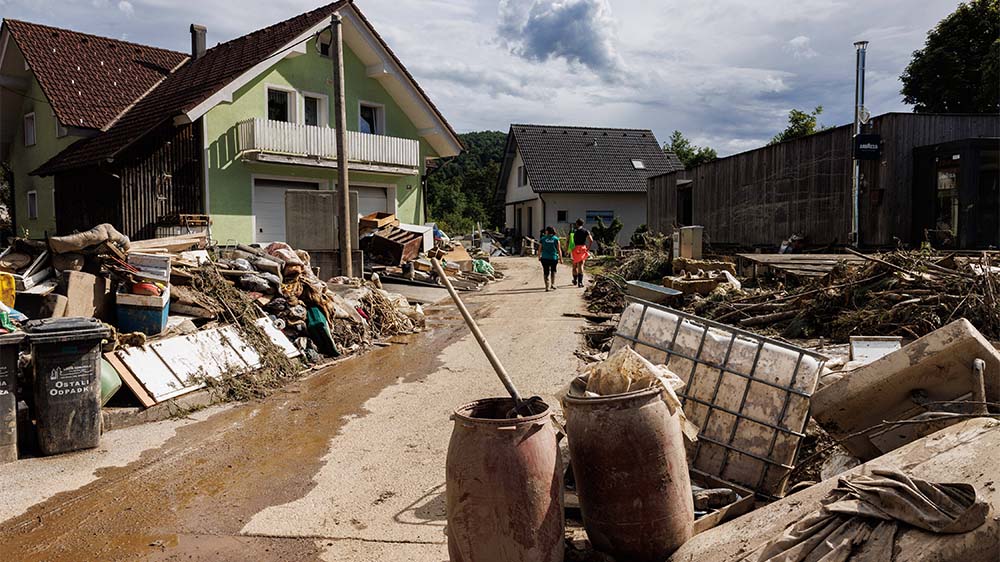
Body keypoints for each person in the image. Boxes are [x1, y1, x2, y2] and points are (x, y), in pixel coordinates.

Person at [570, 218, 593, 288]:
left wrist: (566, 249)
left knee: (574, 266)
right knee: (581, 265)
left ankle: (574, 280)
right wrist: (588, 249)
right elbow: (591, 240)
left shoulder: (573, 231)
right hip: (582, 248)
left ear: (576, 224)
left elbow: (568, 240)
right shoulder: (586, 231)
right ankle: (580, 282)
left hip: (574, 248)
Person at [538, 226, 562, 291]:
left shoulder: (543, 239)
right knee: (553, 271)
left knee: (546, 272)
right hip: (553, 258)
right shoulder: (556, 239)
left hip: (545, 258)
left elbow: (540, 248)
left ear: (548, 231)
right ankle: (553, 284)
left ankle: (547, 286)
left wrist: (539, 256)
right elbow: (559, 249)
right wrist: (561, 258)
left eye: (546, 230)